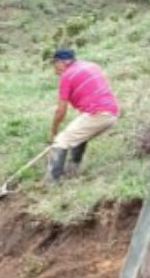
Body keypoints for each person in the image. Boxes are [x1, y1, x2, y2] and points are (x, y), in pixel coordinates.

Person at [47, 48, 120, 184]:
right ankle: (72, 170)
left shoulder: (66, 76)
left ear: (62, 62)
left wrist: (53, 132)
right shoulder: (91, 66)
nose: (54, 68)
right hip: (112, 111)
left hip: (97, 113)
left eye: (54, 63)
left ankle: (51, 182)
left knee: (61, 141)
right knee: (79, 134)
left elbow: (61, 111)